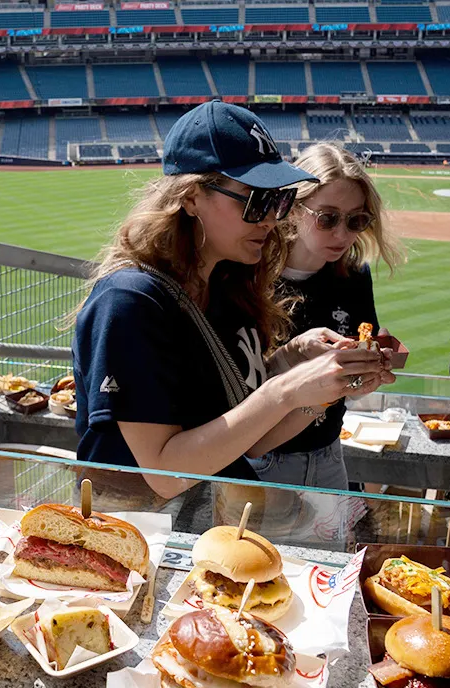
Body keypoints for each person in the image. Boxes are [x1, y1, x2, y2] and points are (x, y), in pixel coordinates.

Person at [71, 101, 389, 501]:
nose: (271, 219)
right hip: (142, 538)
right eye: (254, 200)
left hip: (211, 524)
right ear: (190, 197)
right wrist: (287, 388)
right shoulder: (130, 302)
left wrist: (314, 378)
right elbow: (164, 473)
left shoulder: (228, 283)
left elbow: (250, 437)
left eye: (278, 200)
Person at [250, 143, 404, 489]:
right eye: (327, 218)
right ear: (291, 208)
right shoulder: (250, 278)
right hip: (259, 460)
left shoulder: (354, 277)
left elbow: (350, 383)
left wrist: (368, 371)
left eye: (356, 221)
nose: (343, 235)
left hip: (329, 454)